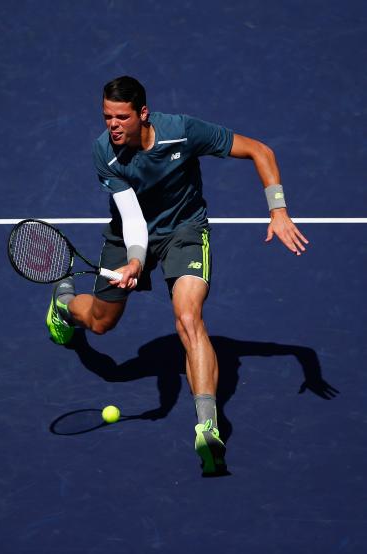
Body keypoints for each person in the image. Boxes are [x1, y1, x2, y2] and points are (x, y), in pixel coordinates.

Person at [46, 76, 309, 476]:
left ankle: (207, 424)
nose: (112, 125)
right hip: (128, 237)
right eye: (106, 117)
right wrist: (136, 260)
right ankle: (64, 305)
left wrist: (278, 209)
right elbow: (132, 217)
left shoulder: (182, 132)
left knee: (189, 317)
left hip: (186, 232)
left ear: (143, 114)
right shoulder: (105, 153)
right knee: (100, 324)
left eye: (121, 117)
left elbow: (259, 150)